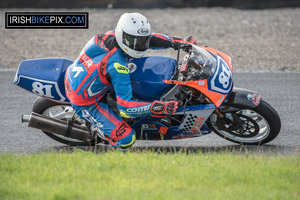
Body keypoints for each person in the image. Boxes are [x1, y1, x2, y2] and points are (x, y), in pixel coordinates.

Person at [64, 12, 197, 148]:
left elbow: (151, 39)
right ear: (122, 35)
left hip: (80, 73)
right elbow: (125, 108)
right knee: (127, 139)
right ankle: (98, 132)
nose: (140, 46)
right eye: (135, 41)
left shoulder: (108, 36)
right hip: (86, 101)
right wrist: (157, 107)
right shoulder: (118, 67)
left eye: (142, 41)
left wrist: (179, 42)